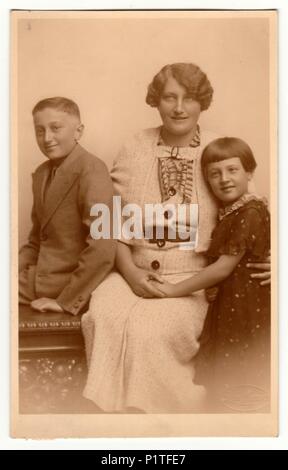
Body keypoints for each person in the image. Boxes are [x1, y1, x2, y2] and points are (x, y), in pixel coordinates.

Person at [81, 63, 270, 413]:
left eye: (190, 98)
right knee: (102, 315)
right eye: (170, 97)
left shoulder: (219, 149)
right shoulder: (133, 145)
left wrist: (276, 258)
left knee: (148, 332)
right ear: (156, 101)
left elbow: (253, 212)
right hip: (130, 270)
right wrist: (132, 274)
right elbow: (109, 222)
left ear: (203, 104)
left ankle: (162, 422)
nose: (179, 107)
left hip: (192, 279)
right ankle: (110, 422)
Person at [156, 137, 271, 412]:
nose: (224, 179)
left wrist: (173, 289)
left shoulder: (251, 212)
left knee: (244, 380)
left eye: (233, 170)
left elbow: (223, 267)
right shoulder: (233, 211)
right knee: (227, 383)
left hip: (248, 309)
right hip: (232, 304)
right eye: (214, 174)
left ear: (250, 172)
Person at [19, 97, 116, 315]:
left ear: (78, 131)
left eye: (55, 128)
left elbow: (103, 246)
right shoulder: (42, 173)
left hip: (70, 284)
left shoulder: (93, 170)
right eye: (40, 130)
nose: (47, 138)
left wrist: (66, 301)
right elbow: (36, 240)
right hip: (39, 277)